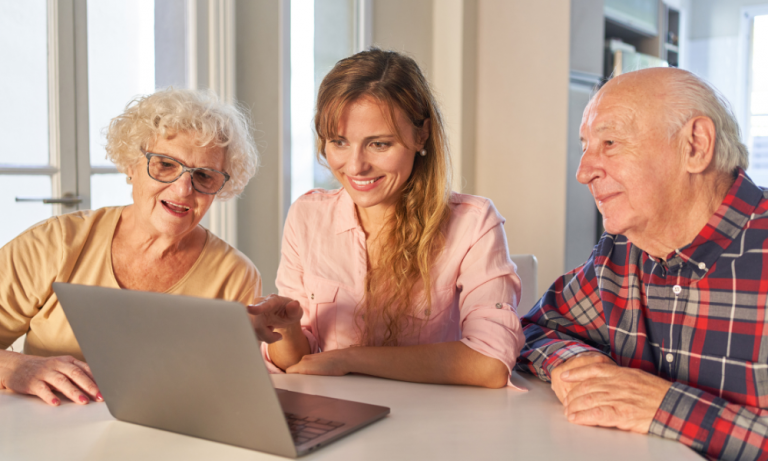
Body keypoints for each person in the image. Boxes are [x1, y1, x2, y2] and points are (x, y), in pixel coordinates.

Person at [517, 67, 768, 460]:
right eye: (585, 145)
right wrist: (578, 364)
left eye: (611, 142)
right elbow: (534, 329)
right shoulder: (620, 252)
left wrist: (668, 409)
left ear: (695, 146)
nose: (583, 172)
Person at [249, 48, 523, 388]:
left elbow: (489, 363)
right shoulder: (307, 216)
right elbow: (297, 364)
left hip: (438, 424)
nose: (354, 166)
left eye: (378, 144)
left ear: (421, 135)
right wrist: (287, 328)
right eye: (339, 142)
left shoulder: (473, 223)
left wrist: (349, 359)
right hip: (337, 415)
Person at [0, 88, 261, 407]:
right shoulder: (54, 243)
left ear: (219, 188)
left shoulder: (235, 276)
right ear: (131, 165)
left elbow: (233, 393)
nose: (182, 189)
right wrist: (13, 366)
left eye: (203, 175)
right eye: (165, 164)